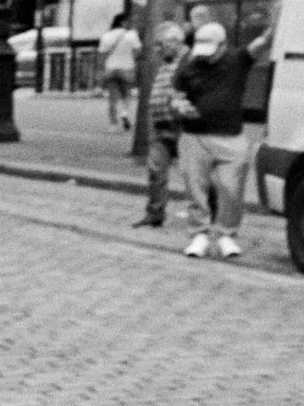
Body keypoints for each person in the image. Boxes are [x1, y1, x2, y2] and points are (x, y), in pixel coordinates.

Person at [171, 20, 255, 258]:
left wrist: (276, 18)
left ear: (223, 46)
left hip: (230, 136)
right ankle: (199, 234)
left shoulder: (238, 59)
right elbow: (177, 96)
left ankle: (227, 234)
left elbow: (263, 43)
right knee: (195, 188)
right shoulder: (189, 64)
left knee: (232, 187)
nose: (205, 57)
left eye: (211, 52)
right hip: (194, 136)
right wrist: (180, 106)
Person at [131, 20, 190, 228]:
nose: (156, 50)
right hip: (161, 125)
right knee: (156, 170)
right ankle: (155, 212)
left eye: (159, 45)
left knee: (194, 173)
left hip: (181, 126)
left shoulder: (189, 62)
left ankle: (208, 215)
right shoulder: (167, 62)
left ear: (174, 42)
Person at [97, 13, 142, 130]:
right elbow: (138, 52)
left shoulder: (106, 36)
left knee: (112, 98)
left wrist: (101, 69)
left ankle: (113, 124)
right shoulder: (132, 35)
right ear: (123, 22)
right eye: (128, 22)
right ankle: (124, 113)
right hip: (127, 68)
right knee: (127, 94)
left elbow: (101, 54)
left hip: (111, 69)